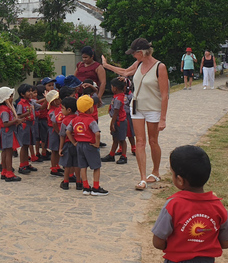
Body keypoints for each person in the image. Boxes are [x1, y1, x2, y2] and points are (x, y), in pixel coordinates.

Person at [151, 145, 228, 263]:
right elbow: (225, 243)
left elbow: (158, 242)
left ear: (180, 180)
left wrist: (179, 245)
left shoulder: (173, 204)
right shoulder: (218, 206)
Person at [102, 38, 169, 191]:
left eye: (134, 53)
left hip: (153, 108)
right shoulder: (138, 64)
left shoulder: (160, 67)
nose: (133, 56)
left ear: (141, 52)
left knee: (153, 141)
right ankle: (142, 178)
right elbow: (126, 72)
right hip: (137, 106)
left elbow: (165, 95)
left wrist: (163, 118)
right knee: (140, 141)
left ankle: (156, 171)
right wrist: (106, 66)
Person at [67, 96, 108, 196]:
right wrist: (97, 144)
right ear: (90, 108)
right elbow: (97, 133)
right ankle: (96, 187)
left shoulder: (75, 120)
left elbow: (68, 131)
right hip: (90, 145)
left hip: (79, 145)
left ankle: (85, 187)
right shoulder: (91, 120)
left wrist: (74, 142)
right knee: (96, 166)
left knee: (83, 166)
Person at [102, 78, 132, 165]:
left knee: (122, 139)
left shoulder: (119, 98)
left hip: (120, 121)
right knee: (115, 138)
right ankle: (111, 155)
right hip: (117, 120)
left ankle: (124, 156)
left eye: (111, 87)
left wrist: (112, 124)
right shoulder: (117, 96)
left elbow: (116, 112)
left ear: (115, 88)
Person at [0, 86, 22, 182]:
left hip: (7, 133)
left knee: (5, 152)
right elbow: (5, 123)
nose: (12, 98)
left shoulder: (6, 108)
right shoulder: (4, 110)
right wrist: (15, 120)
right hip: (7, 133)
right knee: (8, 153)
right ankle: (9, 172)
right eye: (10, 96)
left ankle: (4, 171)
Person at [15, 84, 38, 175]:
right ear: (22, 94)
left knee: (28, 145)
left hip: (30, 125)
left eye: (31, 91)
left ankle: (26, 163)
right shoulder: (21, 104)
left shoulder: (31, 102)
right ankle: (22, 165)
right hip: (24, 126)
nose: (31, 93)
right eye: (28, 91)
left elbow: (40, 106)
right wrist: (27, 114)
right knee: (24, 146)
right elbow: (19, 115)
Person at [58, 97, 80, 191]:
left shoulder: (65, 121)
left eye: (62, 108)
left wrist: (60, 148)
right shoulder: (78, 118)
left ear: (69, 110)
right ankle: (79, 182)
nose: (61, 110)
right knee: (77, 164)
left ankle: (66, 182)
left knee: (67, 165)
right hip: (77, 144)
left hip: (67, 144)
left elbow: (62, 135)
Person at [45, 90, 64, 177]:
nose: (58, 101)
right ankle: (53, 167)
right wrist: (59, 132)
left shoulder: (59, 108)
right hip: (54, 131)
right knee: (54, 150)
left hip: (59, 130)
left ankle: (57, 165)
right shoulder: (52, 111)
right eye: (56, 100)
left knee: (58, 149)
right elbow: (54, 123)